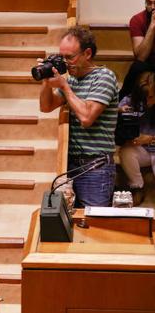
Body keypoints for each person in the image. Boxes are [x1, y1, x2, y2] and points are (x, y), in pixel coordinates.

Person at [39, 26, 118, 207]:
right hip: (71, 165)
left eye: (70, 57)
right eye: (62, 57)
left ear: (87, 53)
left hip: (96, 167)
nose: (65, 63)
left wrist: (65, 87)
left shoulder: (104, 77)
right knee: (68, 224)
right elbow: (46, 106)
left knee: (93, 224)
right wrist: (45, 81)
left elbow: (86, 118)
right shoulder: (72, 80)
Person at [118, 71, 155, 205]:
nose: (147, 102)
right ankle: (137, 186)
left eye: (150, 97)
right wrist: (119, 111)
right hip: (141, 150)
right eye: (143, 98)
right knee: (126, 151)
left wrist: (150, 138)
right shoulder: (129, 100)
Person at [120, 0, 155, 99]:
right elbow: (140, 56)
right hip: (147, 62)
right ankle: (121, 101)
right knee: (136, 67)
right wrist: (152, 27)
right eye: (149, 3)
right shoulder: (137, 20)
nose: (153, 7)